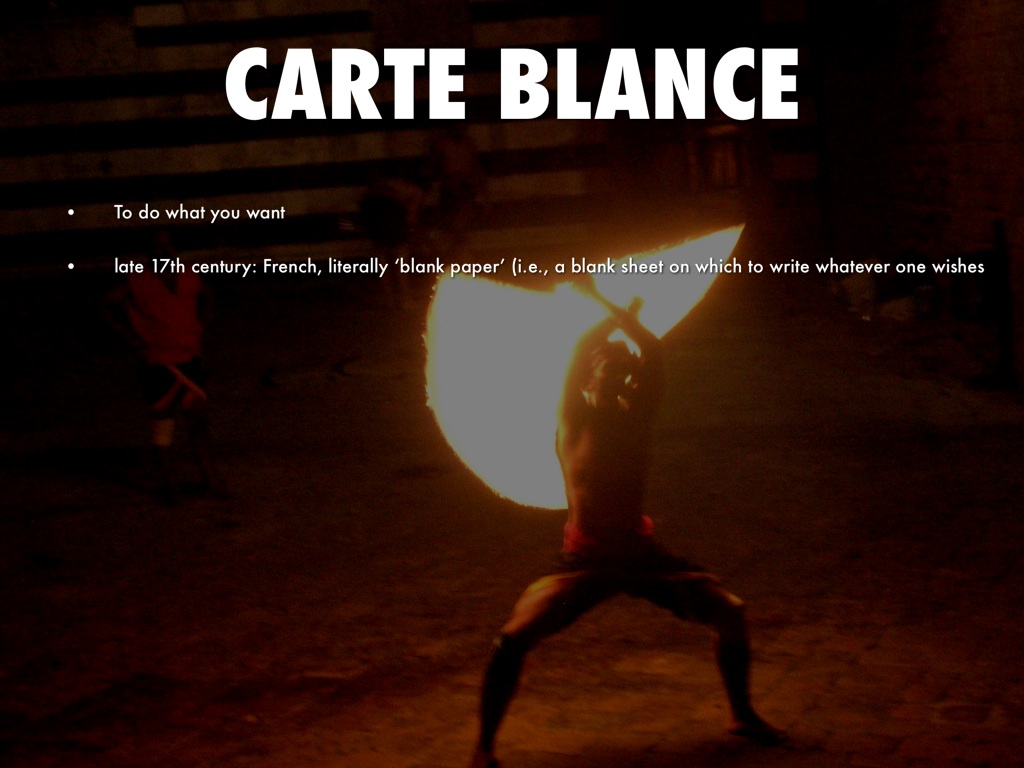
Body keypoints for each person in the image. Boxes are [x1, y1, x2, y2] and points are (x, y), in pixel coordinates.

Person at [469, 276, 784, 768]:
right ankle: (484, 748)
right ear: (587, 380)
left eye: (624, 370)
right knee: (511, 639)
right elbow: (583, 348)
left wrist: (616, 311)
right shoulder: (572, 418)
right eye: (606, 368)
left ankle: (741, 715)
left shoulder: (637, 416)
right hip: (586, 560)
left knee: (730, 612)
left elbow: (651, 352)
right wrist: (606, 309)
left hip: (641, 555)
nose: (618, 375)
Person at [105, 231, 224, 501]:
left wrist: (200, 326)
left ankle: (210, 479)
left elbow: (208, 295)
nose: (164, 251)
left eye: (167, 246)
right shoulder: (138, 280)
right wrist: (132, 339)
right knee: (163, 425)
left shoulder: (188, 275)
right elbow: (106, 305)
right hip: (157, 361)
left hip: (189, 357)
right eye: (158, 246)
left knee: (198, 423)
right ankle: (169, 484)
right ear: (148, 253)